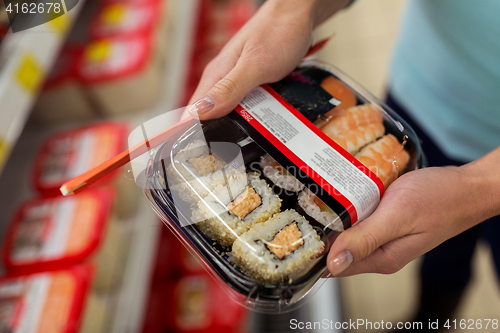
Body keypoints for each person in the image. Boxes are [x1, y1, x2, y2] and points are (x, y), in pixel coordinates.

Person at [185, 0, 500, 327]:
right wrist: (294, 10)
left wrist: (479, 190)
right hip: (416, 91)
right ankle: (432, 318)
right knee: (440, 254)